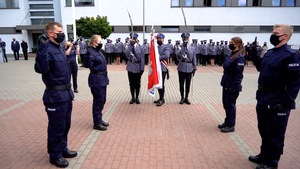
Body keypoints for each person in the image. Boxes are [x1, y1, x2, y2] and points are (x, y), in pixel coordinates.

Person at [249, 24, 300, 169]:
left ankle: (272, 163)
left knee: (275, 133)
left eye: (275, 33)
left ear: (285, 36)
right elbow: (260, 67)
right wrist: (253, 52)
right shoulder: (270, 53)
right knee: (263, 129)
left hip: (278, 100)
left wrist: (286, 102)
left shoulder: (291, 55)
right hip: (263, 97)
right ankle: (264, 155)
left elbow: (294, 83)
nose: (272, 35)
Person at [34, 21, 77, 168]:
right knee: (56, 127)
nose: (62, 34)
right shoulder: (46, 49)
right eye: (59, 32)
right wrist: (42, 49)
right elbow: (41, 69)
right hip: (55, 95)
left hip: (66, 93)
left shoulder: (59, 48)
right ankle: (55, 155)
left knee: (66, 125)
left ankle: (63, 148)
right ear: (50, 33)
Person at [218, 37, 245, 133]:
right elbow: (226, 64)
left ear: (237, 44)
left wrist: (235, 86)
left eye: (232, 42)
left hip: (232, 85)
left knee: (230, 105)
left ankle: (231, 125)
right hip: (226, 82)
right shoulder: (232, 54)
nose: (230, 44)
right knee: (225, 104)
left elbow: (239, 75)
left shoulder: (239, 57)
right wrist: (221, 54)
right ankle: (227, 121)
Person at [87, 34, 110, 131]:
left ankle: (99, 119)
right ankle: (96, 123)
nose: (101, 43)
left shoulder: (99, 52)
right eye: (99, 42)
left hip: (102, 78)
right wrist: (87, 55)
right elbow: (88, 64)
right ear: (93, 42)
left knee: (102, 99)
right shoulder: (91, 52)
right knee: (98, 101)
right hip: (96, 79)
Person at [176, 33, 197, 105]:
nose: (186, 39)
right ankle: (182, 97)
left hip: (189, 67)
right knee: (181, 83)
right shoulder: (179, 46)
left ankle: (186, 97)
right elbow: (178, 55)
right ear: (182, 39)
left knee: (188, 84)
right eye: (184, 38)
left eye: (187, 38)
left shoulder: (192, 48)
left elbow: (194, 58)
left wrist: (195, 67)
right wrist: (183, 48)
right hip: (181, 67)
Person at [125, 33, 145, 104]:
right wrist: (130, 45)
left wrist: (142, 68)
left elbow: (142, 58)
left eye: (134, 39)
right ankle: (132, 97)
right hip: (130, 66)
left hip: (137, 67)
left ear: (136, 39)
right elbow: (127, 54)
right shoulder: (128, 46)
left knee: (137, 83)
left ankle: (137, 97)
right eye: (132, 38)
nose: (133, 40)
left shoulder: (140, 47)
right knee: (131, 83)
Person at [153, 33, 171, 106]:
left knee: (161, 84)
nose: (159, 40)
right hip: (157, 68)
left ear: (163, 39)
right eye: (158, 39)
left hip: (162, 68)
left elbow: (166, 55)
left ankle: (162, 99)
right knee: (158, 84)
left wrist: (157, 58)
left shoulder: (166, 47)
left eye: (160, 39)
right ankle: (160, 98)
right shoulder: (156, 47)